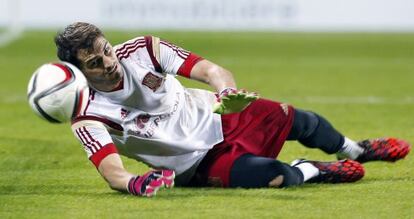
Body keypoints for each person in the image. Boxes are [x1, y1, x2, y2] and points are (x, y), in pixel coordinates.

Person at [54, 22, 410, 197]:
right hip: (196, 163)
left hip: (218, 115)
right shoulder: (87, 113)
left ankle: (357, 150)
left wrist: (227, 94)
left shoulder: (142, 50)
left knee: (302, 120)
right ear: (80, 71)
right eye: (94, 62)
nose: (108, 62)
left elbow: (211, 70)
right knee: (276, 176)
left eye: (105, 50)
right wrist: (136, 183)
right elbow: (113, 173)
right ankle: (313, 170)